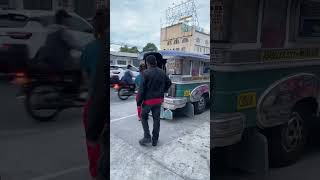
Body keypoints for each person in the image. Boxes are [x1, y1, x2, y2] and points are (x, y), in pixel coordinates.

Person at [80, 10, 104, 180]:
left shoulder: (90, 48)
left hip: (95, 102)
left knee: (93, 146)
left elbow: (85, 77)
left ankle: (96, 175)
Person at [39, 9, 83, 96]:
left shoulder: (50, 30)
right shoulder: (62, 31)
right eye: (67, 18)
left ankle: (64, 89)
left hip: (48, 59)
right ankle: (71, 93)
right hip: (59, 60)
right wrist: (85, 49)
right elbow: (74, 44)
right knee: (79, 70)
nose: (68, 21)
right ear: (63, 19)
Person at [137, 55, 172, 146]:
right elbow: (169, 83)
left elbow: (141, 90)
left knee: (143, 117)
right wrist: (163, 90)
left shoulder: (145, 73)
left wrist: (139, 102)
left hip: (148, 101)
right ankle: (155, 140)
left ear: (147, 63)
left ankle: (147, 137)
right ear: (155, 62)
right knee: (157, 119)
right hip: (159, 100)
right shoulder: (162, 72)